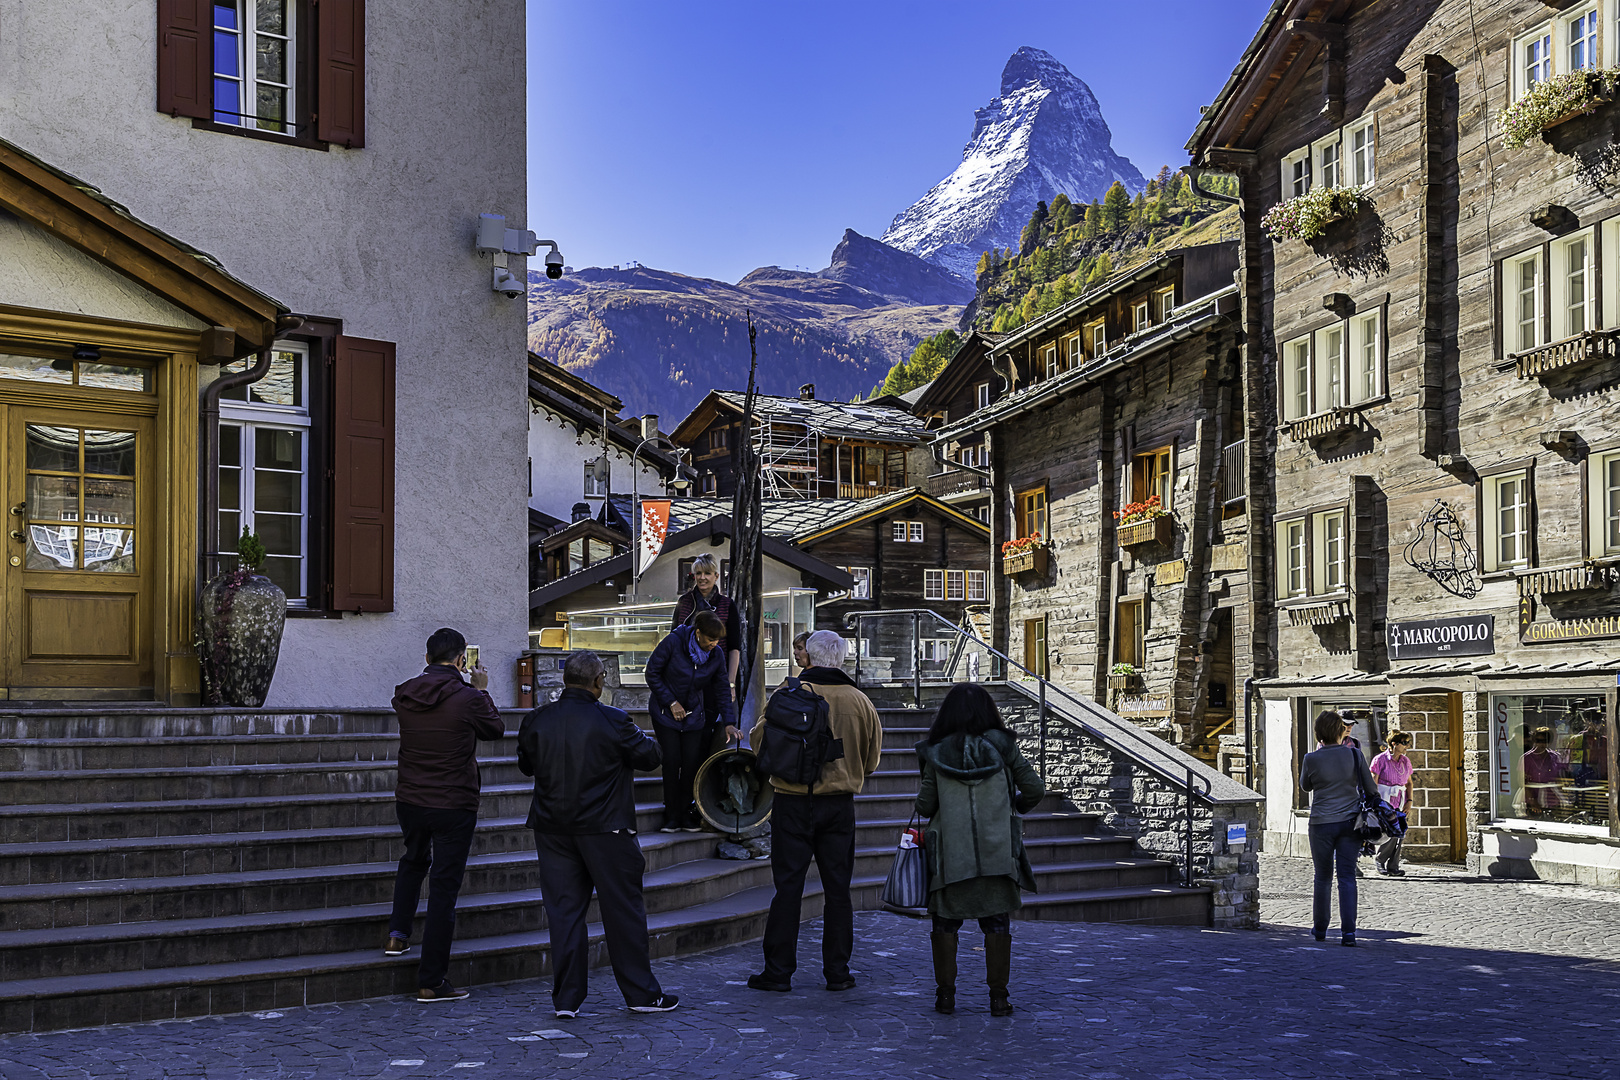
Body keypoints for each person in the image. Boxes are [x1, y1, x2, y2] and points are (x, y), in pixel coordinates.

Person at [517, 650, 679, 1017]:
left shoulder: (537, 720)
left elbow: (527, 765)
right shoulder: (614, 719)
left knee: (564, 913)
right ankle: (640, 993)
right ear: (599, 681)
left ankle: (567, 1000)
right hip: (606, 827)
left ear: (564, 681)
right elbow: (651, 756)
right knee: (623, 911)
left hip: (553, 826)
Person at [747, 630, 883, 993]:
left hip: (791, 801)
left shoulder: (787, 694)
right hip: (838, 805)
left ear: (809, 655)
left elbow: (758, 742)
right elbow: (871, 761)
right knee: (838, 890)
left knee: (787, 888)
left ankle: (778, 972)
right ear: (839, 659)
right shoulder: (859, 701)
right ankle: (837, 972)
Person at [387, 627, 507, 1003]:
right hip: (453, 801)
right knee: (443, 888)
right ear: (460, 660)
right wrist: (482, 687)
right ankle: (432, 980)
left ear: (426, 659)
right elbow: (496, 730)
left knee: (413, 861)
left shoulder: (404, 693)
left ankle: (397, 935)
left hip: (410, 797)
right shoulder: (468, 697)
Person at [915, 684, 1044, 1017]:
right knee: (997, 925)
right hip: (997, 851)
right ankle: (999, 999)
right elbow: (1035, 788)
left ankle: (945, 997)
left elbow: (925, 804)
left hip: (950, 857)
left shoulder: (936, 753)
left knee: (944, 925)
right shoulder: (1005, 748)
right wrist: (1013, 805)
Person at [645, 609, 741, 832]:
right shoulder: (673, 642)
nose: (714, 644)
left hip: (694, 715)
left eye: (717, 640)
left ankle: (686, 812)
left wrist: (729, 721)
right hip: (664, 712)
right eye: (710, 639)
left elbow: (721, 688)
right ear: (698, 633)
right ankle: (671, 815)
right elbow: (652, 672)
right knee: (671, 761)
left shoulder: (716, 654)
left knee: (691, 763)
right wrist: (670, 702)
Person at [1299, 709, 1379, 947]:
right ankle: (1349, 933)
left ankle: (1320, 928)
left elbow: (1305, 787)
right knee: (1347, 877)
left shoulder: (1311, 758)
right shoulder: (1355, 755)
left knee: (1322, 877)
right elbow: (1371, 789)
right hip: (1350, 822)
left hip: (1321, 822)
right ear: (1339, 732)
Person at [672, 553, 742, 686]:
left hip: (717, 674)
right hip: (685, 673)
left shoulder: (727, 605)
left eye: (707, 573)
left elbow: (734, 646)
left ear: (716, 576)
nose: (702, 578)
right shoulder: (684, 602)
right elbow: (673, 639)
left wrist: (731, 682)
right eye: (698, 573)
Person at [1369, 731, 1414, 876]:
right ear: (1394, 744)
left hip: (1399, 800)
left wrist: (1409, 801)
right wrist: (1375, 803)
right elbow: (1373, 782)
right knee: (1389, 831)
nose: (1408, 746)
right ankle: (1380, 860)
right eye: (1405, 743)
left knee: (1400, 831)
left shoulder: (1405, 761)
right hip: (1384, 800)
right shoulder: (1380, 760)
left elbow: (1409, 783)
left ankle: (1393, 865)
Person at [1522, 726, 1564, 817]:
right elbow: (1522, 783)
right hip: (1533, 799)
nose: (1541, 744)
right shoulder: (1526, 758)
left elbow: (1559, 778)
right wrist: (1533, 802)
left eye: (1544, 741)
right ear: (1534, 741)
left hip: (1552, 799)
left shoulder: (1554, 757)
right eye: (1538, 741)